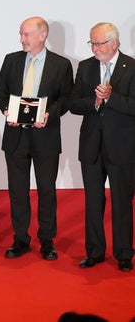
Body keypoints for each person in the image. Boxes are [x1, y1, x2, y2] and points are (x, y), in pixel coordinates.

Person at [0, 16, 73, 260]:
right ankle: (20, 239)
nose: (22, 39)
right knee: (18, 191)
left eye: (26, 35)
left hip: (45, 136)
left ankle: (47, 240)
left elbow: (66, 98)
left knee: (47, 191)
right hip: (16, 135)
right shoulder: (11, 60)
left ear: (42, 35)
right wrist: (8, 110)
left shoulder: (61, 64)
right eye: (21, 34)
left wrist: (49, 113)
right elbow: (0, 92)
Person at [67, 22, 135, 272]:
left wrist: (111, 97)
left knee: (122, 202)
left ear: (114, 43)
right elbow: (74, 104)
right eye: (91, 43)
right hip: (91, 145)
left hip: (123, 148)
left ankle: (124, 253)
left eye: (99, 43)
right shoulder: (85, 67)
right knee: (93, 202)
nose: (94, 48)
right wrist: (95, 101)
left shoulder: (132, 67)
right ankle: (94, 252)